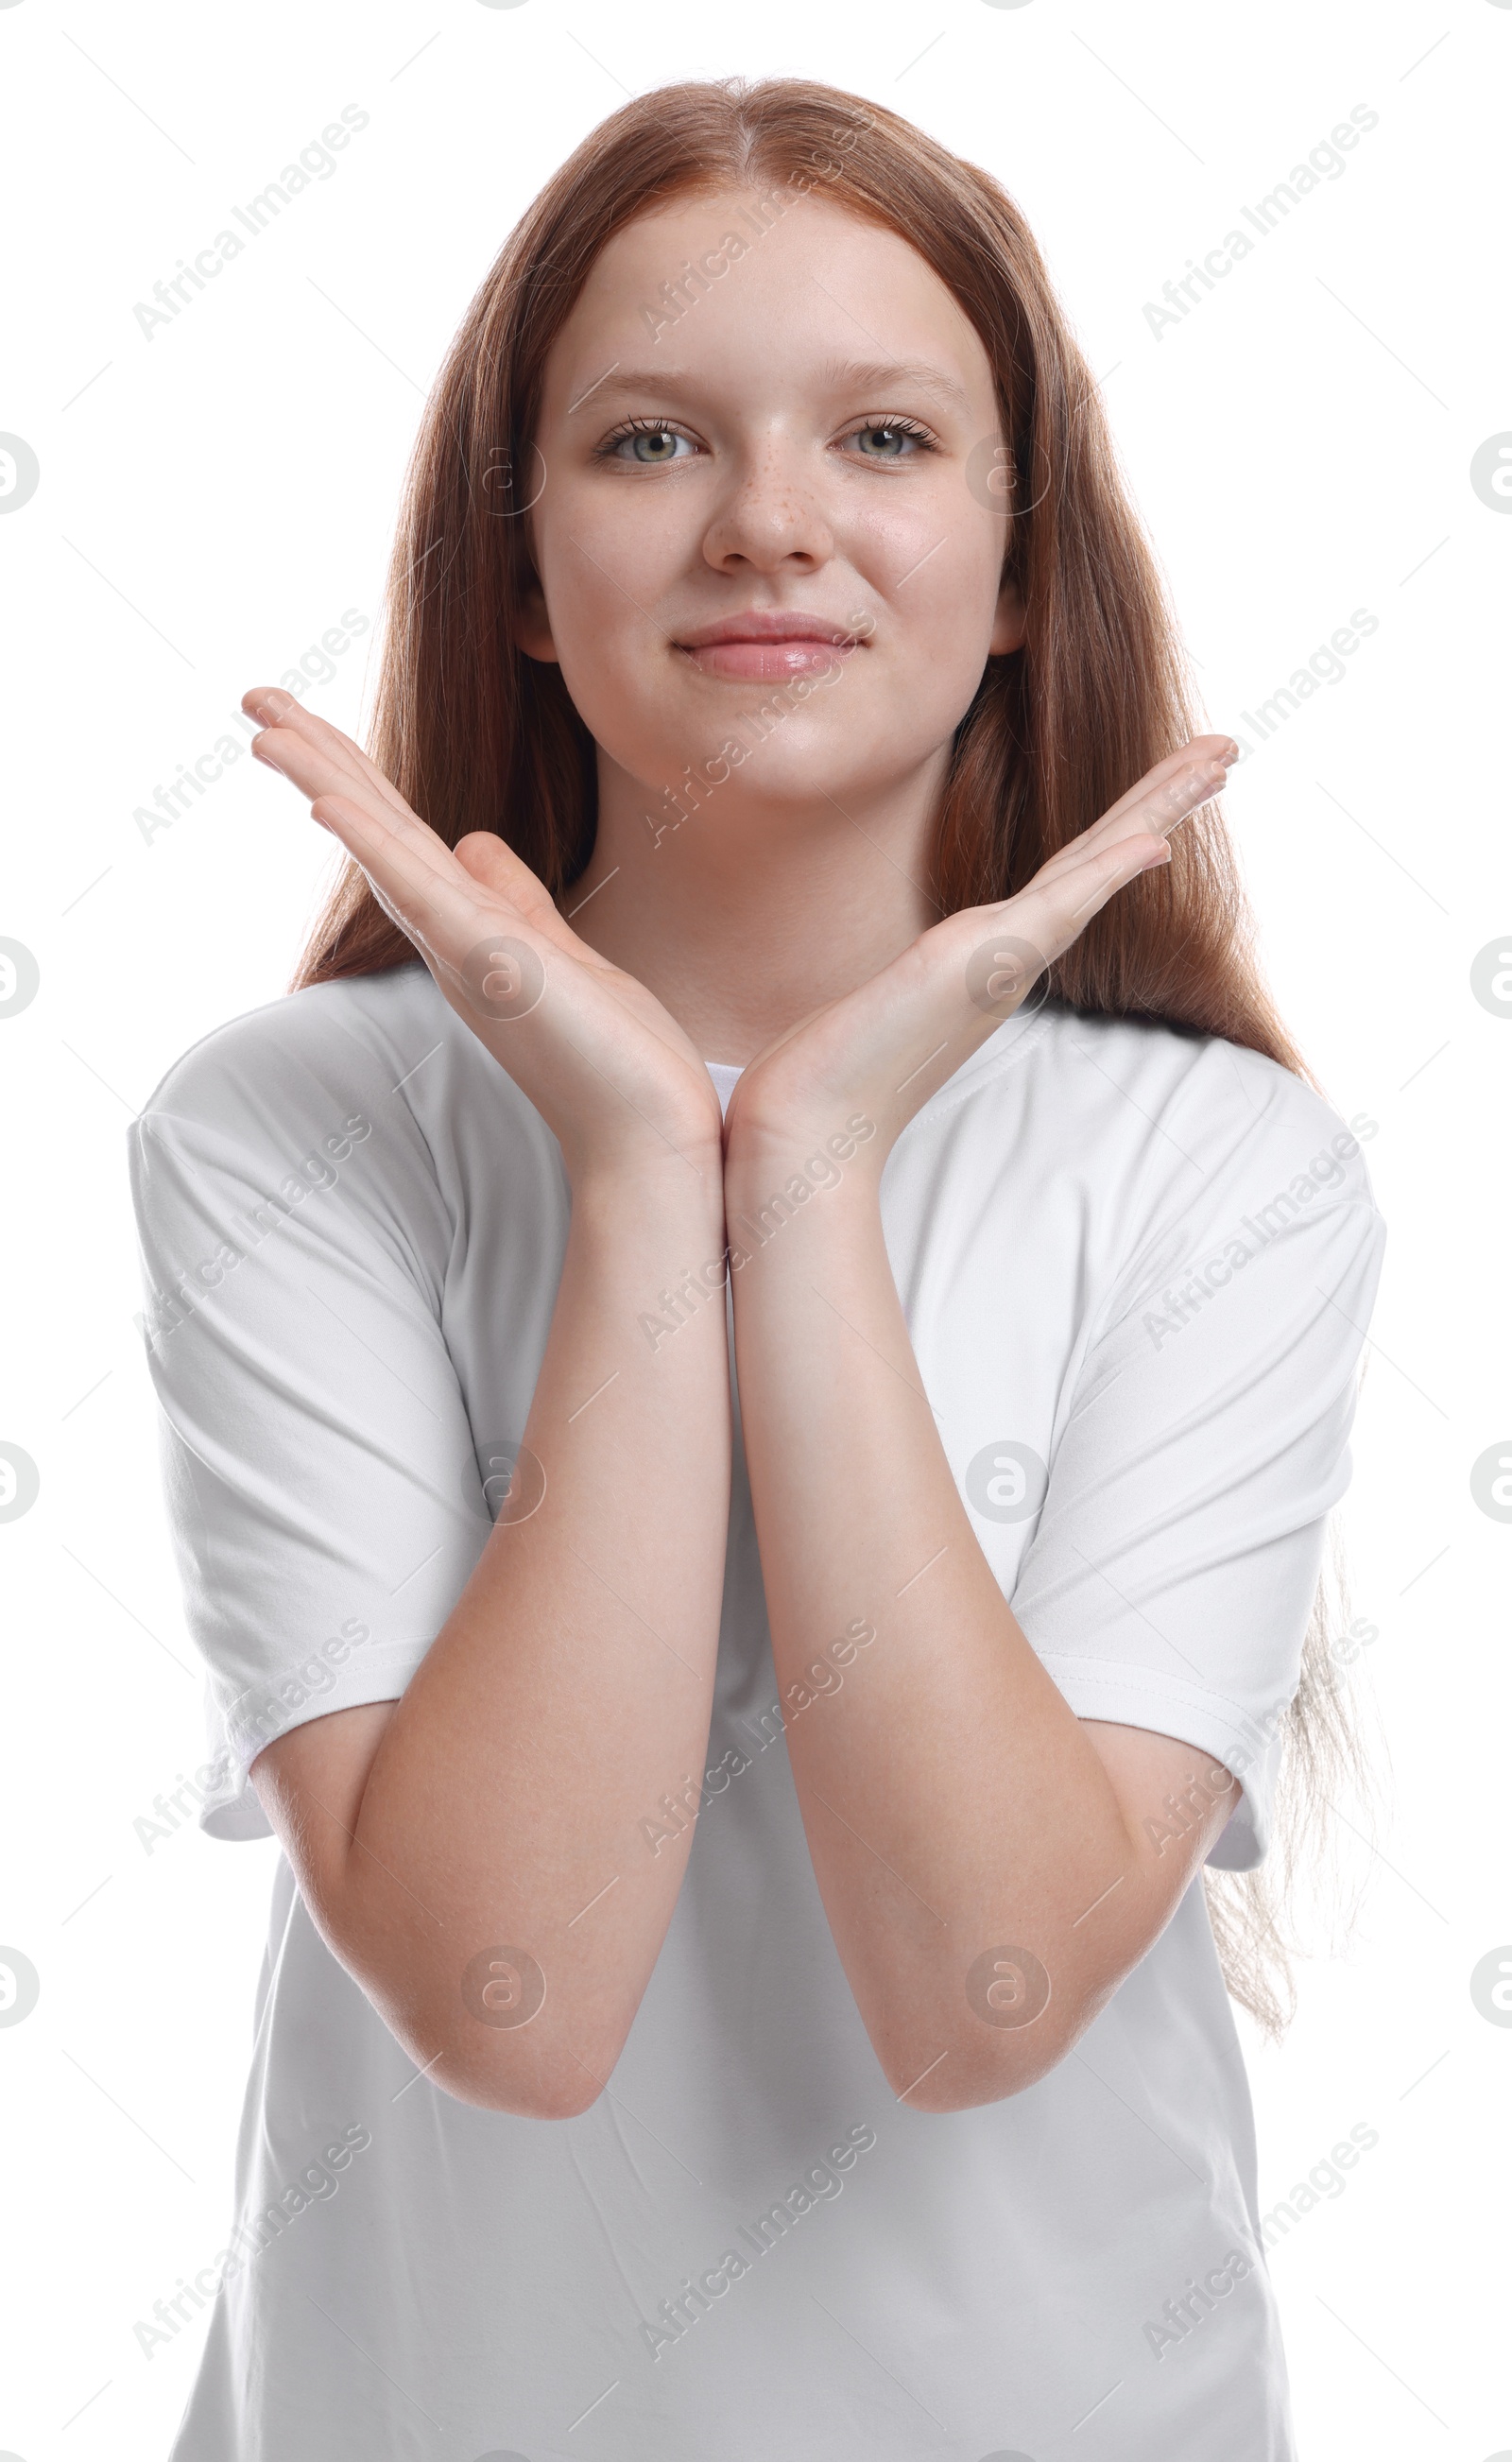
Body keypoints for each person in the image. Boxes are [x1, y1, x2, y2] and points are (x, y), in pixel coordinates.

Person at [129, 77, 1384, 2460]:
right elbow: (512, 1998)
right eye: (647, 446)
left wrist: (795, 1172)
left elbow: (973, 1992)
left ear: (1021, 569)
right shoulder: (292, 1135)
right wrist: (633, 1171)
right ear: (517, 565)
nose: (770, 527)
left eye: (887, 438)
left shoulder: (1219, 1172)